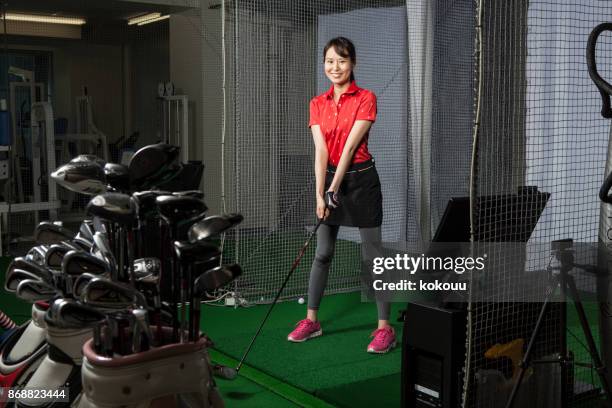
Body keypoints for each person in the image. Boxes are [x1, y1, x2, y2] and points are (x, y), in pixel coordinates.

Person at [287, 37, 395, 353]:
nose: (336, 67)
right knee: (322, 252)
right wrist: (320, 195)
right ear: (325, 64)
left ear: (353, 64)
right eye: (330, 61)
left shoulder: (366, 98)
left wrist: (333, 189)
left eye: (342, 61)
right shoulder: (317, 103)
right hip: (331, 182)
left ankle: (384, 329)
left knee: (372, 256)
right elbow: (321, 151)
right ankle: (312, 321)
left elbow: (349, 145)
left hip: (362, 183)